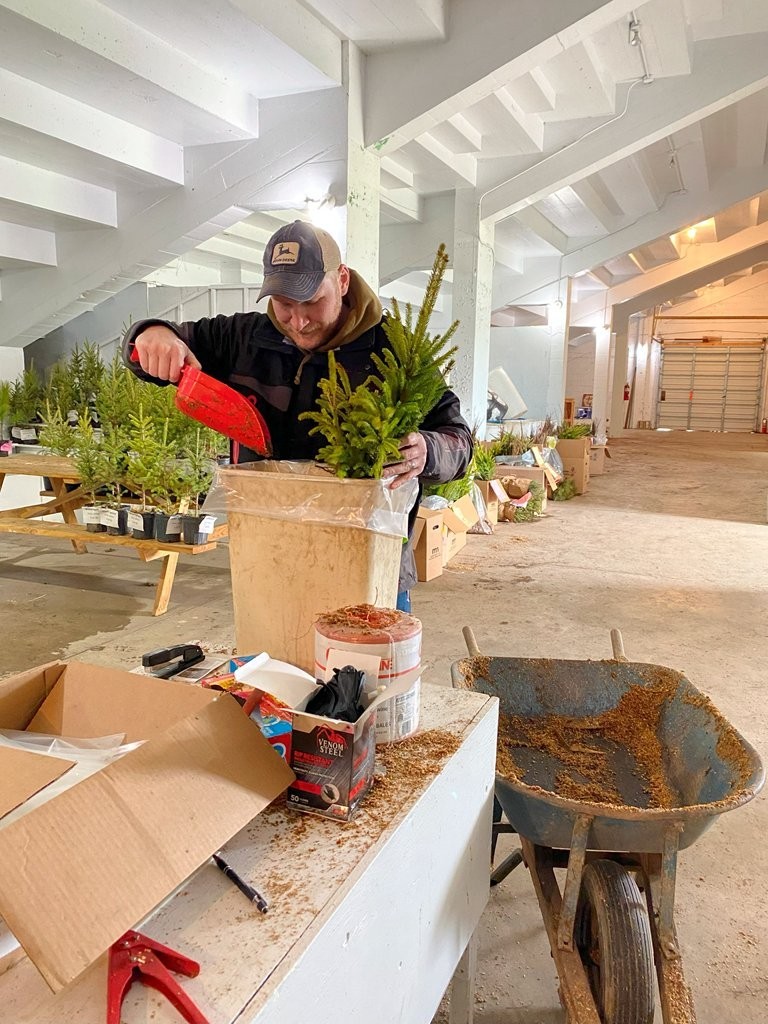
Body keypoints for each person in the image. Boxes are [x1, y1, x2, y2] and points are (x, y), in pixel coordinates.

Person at [123, 220, 473, 608]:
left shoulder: (397, 351)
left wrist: (428, 450)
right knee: (269, 667)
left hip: (368, 568)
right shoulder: (243, 338)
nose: (299, 320)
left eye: (311, 301)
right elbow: (162, 344)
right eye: (285, 304)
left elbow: (458, 440)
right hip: (268, 562)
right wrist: (152, 333)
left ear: (341, 280)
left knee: (364, 668)